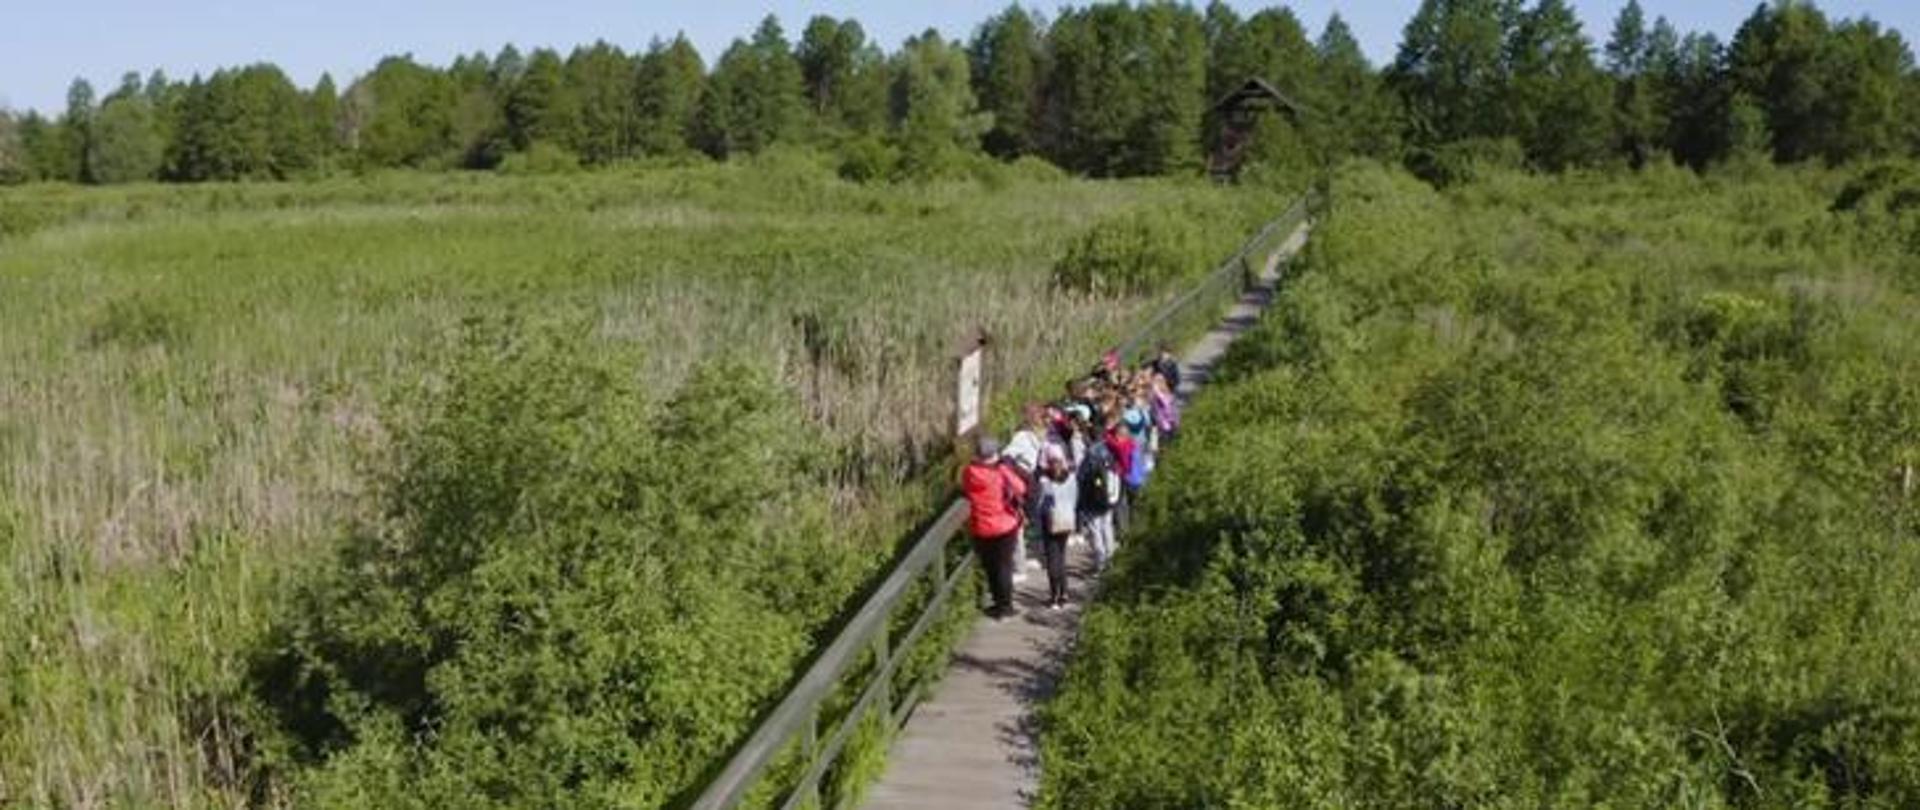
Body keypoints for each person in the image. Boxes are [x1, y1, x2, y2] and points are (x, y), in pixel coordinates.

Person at [962, 435, 1027, 619]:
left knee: (990, 566)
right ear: (994, 454)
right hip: (1004, 525)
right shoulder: (1000, 472)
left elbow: (964, 487)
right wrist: (1003, 468)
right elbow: (1020, 488)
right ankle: (1006, 607)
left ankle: (996, 604)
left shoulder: (969, 472)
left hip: (981, 527)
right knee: (1004, 567)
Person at [1038, 446, 1079, 608]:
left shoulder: (1045, 482)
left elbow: (1042, 505)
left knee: (1052, 559)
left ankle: (1054, 595)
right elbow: (1075, 499)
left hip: (1051, 523)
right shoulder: (1071, 478)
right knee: (1061, 556)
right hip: (1067, 521)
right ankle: (1064, 593)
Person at [1076, 430, 1121, 570]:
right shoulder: (1111, 452)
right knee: (1107, 527)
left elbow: (1081, 476)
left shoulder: (1091, 453)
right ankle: (1111, 558)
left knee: (1095, 529)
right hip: (1108, 497)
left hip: (1092, 498)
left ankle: (1100, 562)